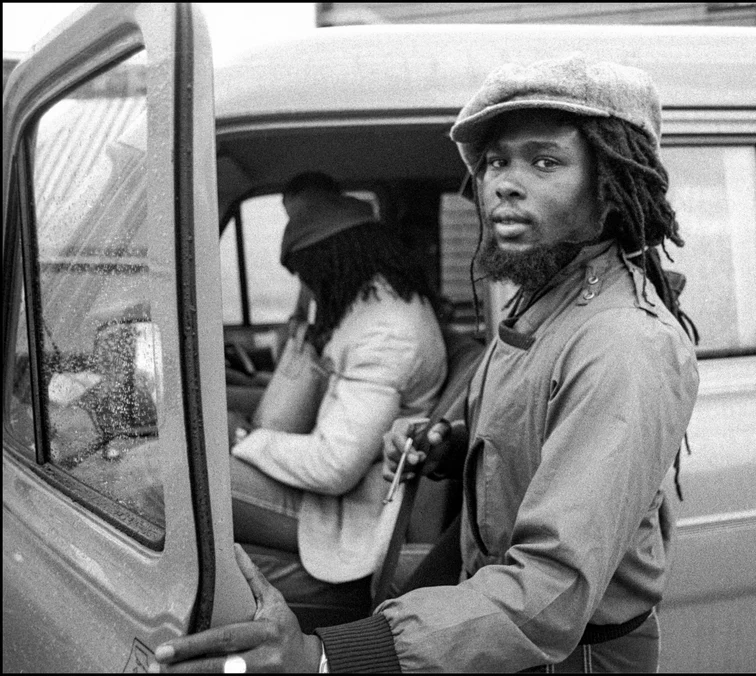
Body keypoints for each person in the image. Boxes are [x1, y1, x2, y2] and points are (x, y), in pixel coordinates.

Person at [151, 53, 699, 673]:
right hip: (495, 632)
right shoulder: (543, 301)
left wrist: (325, 656)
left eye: (545, 161)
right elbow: (534, 433)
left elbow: (550, 590)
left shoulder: (625, 343)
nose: (503, 184)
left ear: (611, 189)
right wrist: (452, 443)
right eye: (495, 161)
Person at [226, 172, 448, 619]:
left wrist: (244, 441)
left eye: (309, 276)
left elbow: (334, 467)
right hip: (342, 488)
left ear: (332, 264)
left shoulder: (388, 332)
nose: (308, 289)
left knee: (166, 473)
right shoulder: (374, 307)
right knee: (201, 442)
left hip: (350, 510)